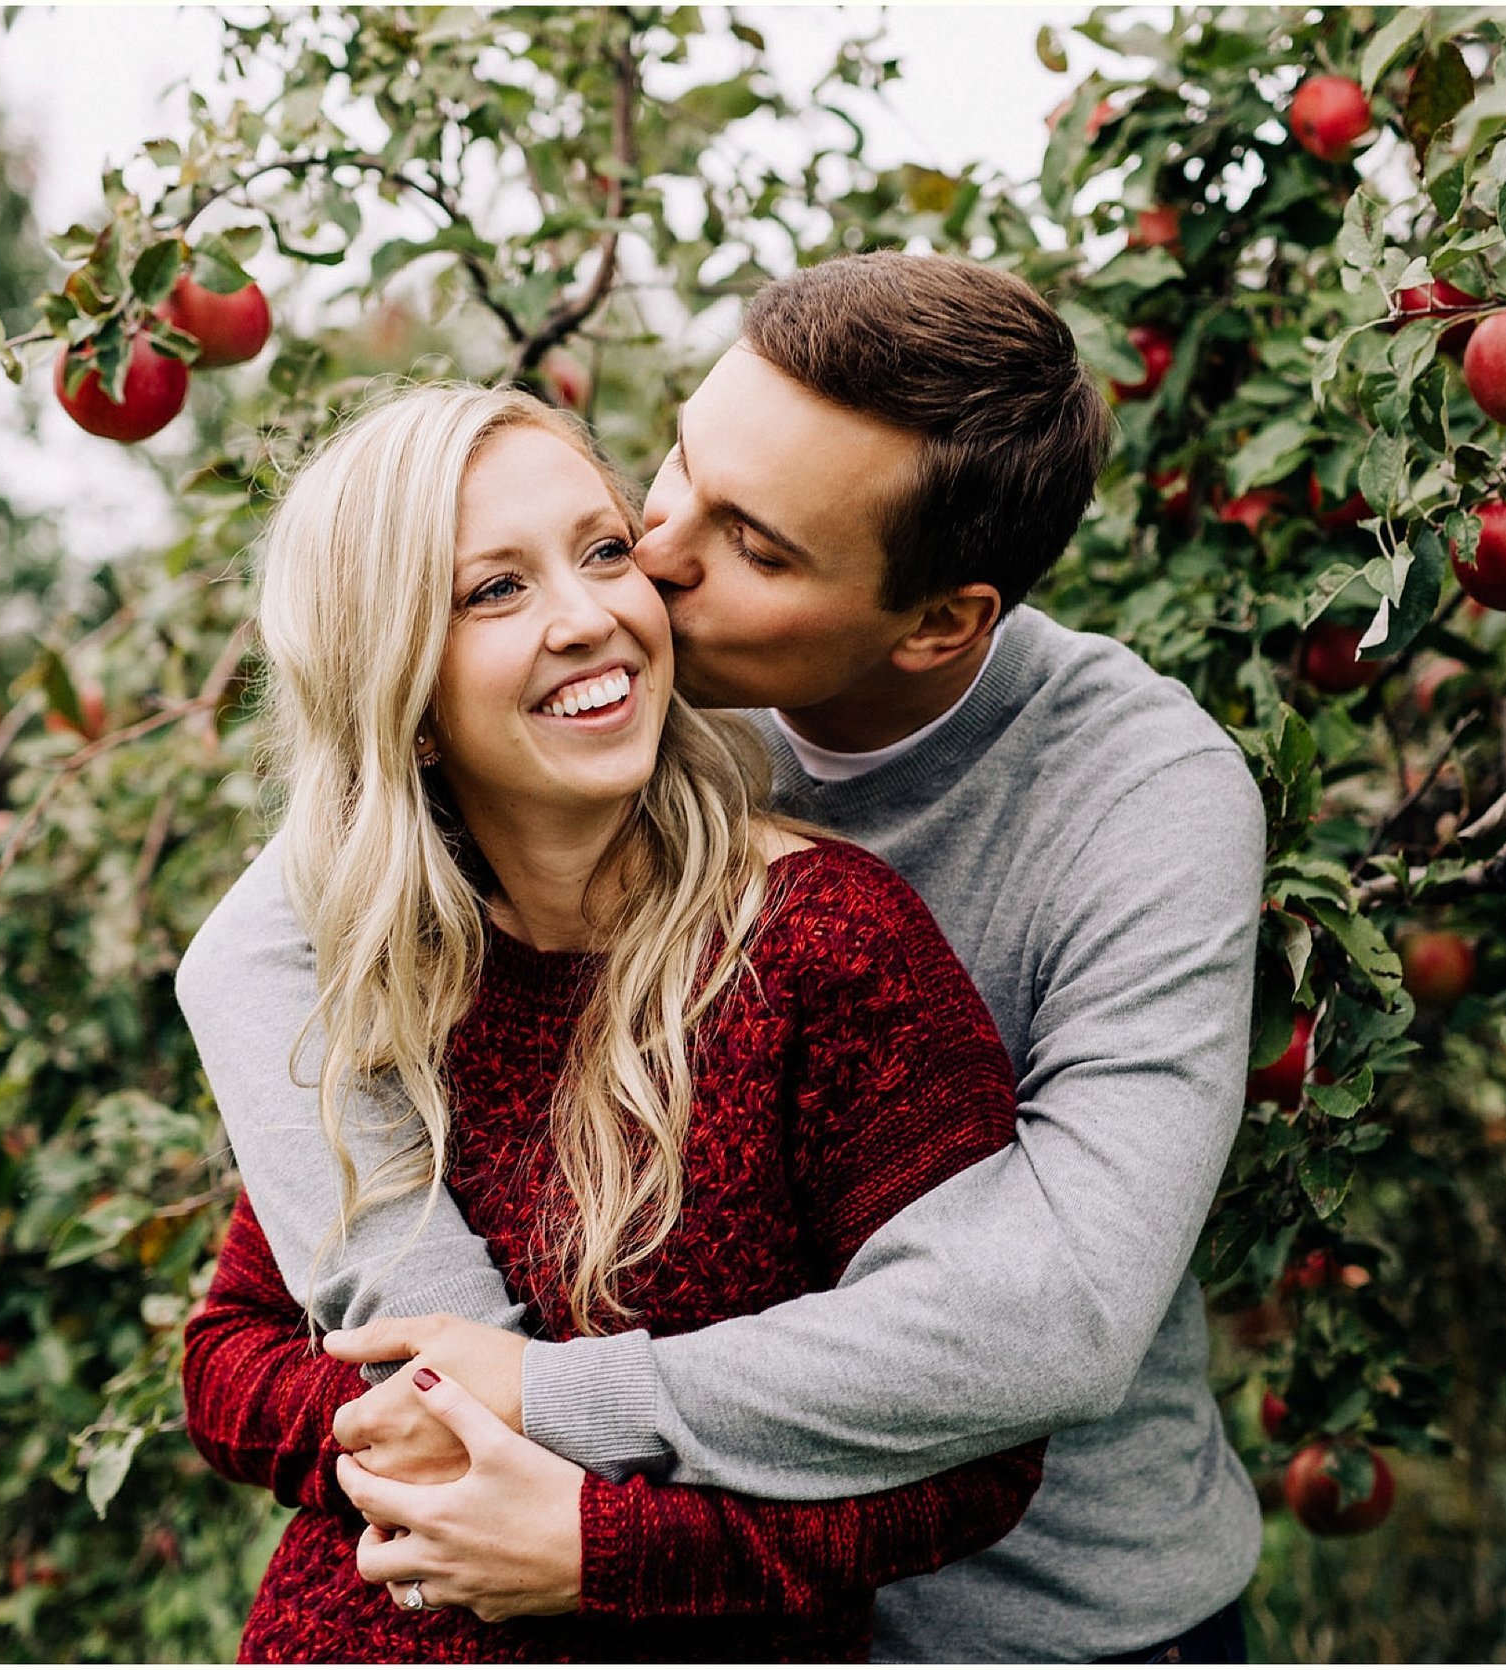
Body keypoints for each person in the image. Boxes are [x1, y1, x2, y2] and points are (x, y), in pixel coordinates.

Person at [179, 252, 1268, 1663]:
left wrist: (545, 1406)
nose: (662, 557)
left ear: (940, 622)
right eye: (678, 466)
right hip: (681, 1595)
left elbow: (1053, 1314)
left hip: (1036, 1616)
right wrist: (441, 1369)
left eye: (756, 547)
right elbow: (264, 939)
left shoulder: (1139, 794)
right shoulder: (620, 704)